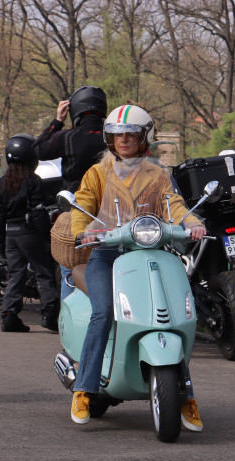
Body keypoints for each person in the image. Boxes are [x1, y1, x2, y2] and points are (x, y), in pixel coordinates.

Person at [51, 104, 207, 430]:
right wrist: (84, 228)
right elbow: (84, 204)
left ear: (143, 137)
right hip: (108, 255)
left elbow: (174, 204)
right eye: (117, 134)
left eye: (131, 134)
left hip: (154, 251)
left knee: (179, 308)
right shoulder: (98, 173)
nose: (124, 140)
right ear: (110, 139)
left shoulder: (159, 174)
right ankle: (84, 388)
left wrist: (192, 222)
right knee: (104, 310)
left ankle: (185, 393)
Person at [38, 85, 109, 302]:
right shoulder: (115, 137)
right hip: (108, 213)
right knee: (108, 266)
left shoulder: (67, 137)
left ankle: (69, 319)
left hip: (74, 211)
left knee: (70, 269)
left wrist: (57, 121)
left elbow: (39, 150)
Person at [0, 134, 60, 332]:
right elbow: (38, 212)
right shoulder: (33, 181)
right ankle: (49, 313)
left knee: (15, 275)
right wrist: (46, 238)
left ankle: (9, 314)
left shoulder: (3, 181)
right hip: (29, 233)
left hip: (11, 234)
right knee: (44, 273)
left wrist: (1, 240)